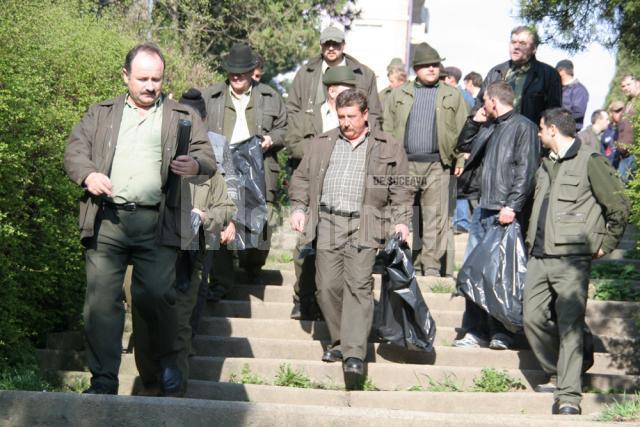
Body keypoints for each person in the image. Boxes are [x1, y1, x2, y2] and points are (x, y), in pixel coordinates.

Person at [63, 43, 215, 396]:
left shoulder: (182, 116)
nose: (150, 86)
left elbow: (205, 155)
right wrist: (87, 175)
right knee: (101, 300)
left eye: (157, 79)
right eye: (143, 78)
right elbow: (74, 150)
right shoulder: (101, 114)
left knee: (156, 295)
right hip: (107, 220)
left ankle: (164, 364)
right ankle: (103, 379)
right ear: (126, 77)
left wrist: (195, 165)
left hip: (158, 222)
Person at [288, 89, 411, 382]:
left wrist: (403, 221)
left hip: (367, 222)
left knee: (358, 286)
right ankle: (341, 342)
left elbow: (402, 189)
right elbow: (302, 178)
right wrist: (298, 208)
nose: (346, 123)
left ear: (365, 115)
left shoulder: (388, 147)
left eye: (351, 117)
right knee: (327, 287)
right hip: (328, 220)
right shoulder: (322, 143)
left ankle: (354, 354)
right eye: (341, 117)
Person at [524, 107, 629, 415]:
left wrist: (606, 244)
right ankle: (573, 359)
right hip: (539, 256)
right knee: (531, 318)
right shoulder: (544, 166)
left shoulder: (590, 162)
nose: (539, 134)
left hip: (572, 258)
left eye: (541, 129)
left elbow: (619, 206)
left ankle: (568, 394)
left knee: (569, 324)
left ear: (552, 130)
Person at [453, 81, 539, 350]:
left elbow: (526, 170)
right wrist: (474, 121)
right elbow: (463, 145)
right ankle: (474, 330)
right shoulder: (489, 125)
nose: (482, 105)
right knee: (473, 272)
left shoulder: (523, 127)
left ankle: (501, 331)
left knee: (499, 275)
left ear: (493, 100)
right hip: (482, 208)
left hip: (504, 211)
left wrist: (512, 205)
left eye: (483, 101)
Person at [201, 42, 287, 285]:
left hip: (258, 167)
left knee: (262, 222)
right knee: (221, 221)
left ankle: (252, 267)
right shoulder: (210, 96)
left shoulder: (270, 96)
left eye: (242, 71)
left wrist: (272, 139)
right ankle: (222, 282)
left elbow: (285, 129)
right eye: (232, 70)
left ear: (252, 71)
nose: (237, 75)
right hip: (221, 167)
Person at [383, 42, 467, 277]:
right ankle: (397, 263)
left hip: (438, 164)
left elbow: (463, 129)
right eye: (425, 65)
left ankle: (429, 268)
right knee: (400, 214)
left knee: (435, 218)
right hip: (404, 163)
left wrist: (459, 160)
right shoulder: (399, 94)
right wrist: (388, 160)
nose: (432, 69)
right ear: (415, 68)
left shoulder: (452, 94)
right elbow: (387, 127)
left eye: (435, 65)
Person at [286, 66, 358, 320]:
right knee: (304, 250)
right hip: (312, 189)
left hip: (342, 195)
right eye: (347, 89)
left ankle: (329, 306)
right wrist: (322, 147)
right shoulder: (309, 116)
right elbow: (292, 144)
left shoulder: (358, 118)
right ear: (332, 90)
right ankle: (302, 298)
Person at [287, 25, 381, 172]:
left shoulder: (364, 74)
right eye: (326, 44)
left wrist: (366, 147)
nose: (331, 48)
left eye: (335, 44)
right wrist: (305, 146)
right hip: (312, 153)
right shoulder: (305, 73)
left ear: (343, 45)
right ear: (320, 45)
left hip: (352, 153)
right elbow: (292, 110)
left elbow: (374, 114)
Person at [479, 26, 562, 127]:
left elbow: (554, 114)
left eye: (522, 43)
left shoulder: (548, 74)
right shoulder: (496, 72)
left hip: (529, 137)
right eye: (513, 42)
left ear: (534, 48)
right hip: (496, 135)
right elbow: (479, 104)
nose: (516, 47)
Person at [617, 74, 640, 183]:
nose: (626, 88)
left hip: (635, 154)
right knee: (622, 191)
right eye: (623, 86)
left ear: (637, 83)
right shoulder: (628, 104)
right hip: (624, 156)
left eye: (628, 84)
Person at [556, 59, 589, 130]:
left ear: (562, 72)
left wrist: (560, 118)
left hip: (569, 132)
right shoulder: (558, 89)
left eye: (556, 72)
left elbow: (578, 112)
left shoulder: (579, 90)